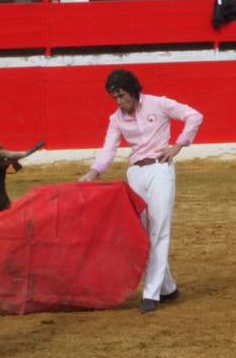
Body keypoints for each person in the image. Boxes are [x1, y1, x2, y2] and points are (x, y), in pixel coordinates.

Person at [78, 69, 204, 314]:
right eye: (114, 97)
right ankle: (168, 288)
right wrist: (93, 172)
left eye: (121, 95)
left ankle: (151, 293)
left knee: (159, 229)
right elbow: (108, 148)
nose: (118, 102)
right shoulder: (116, 119)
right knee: (143, 233)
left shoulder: (158, 103)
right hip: (135, 173)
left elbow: (194, 115)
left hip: (160, 170)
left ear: (133, 91)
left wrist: (179, 145)